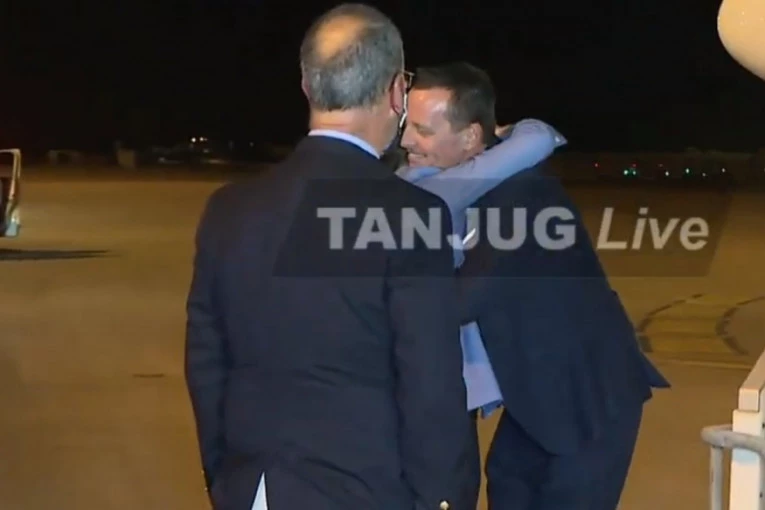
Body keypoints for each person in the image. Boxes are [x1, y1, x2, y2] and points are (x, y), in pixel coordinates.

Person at [186, 5, 472, 510]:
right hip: (365, 490)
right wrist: (444, 499)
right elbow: (431, 384)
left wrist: (226, 477)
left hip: (254, 487)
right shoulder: (411, 214)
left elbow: (207, 364)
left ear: (307, 86)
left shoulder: (230, 209)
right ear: (396, 92)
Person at [400, 62, 670, 510]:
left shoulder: (522, 198)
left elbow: (458, 300)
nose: (408, 140)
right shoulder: (477, 183)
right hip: (535, 402)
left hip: (587, 403)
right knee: (505, 479)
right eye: (408, 126)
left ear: (470, 137)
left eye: (423, 131)